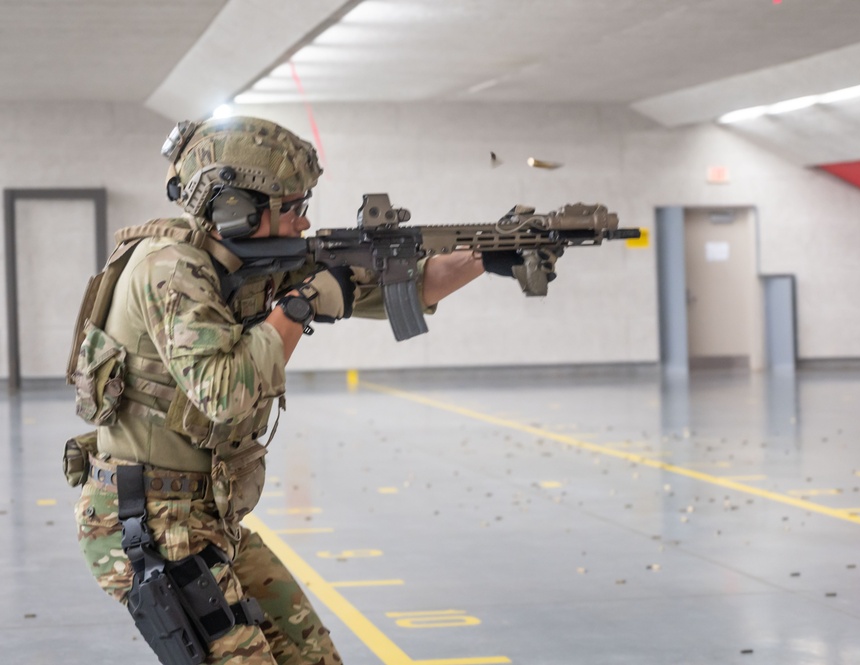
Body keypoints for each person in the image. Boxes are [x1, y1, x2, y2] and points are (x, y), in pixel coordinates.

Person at [65, 116, 529, 664]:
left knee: (313, 656)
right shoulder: (170, 271)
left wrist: (488, 253)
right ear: (235, 207)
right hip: (149, 527)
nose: (303, 220)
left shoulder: (244, 263)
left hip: (207, 517)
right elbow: (224, 393)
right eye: (290, 207)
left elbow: (403, 283)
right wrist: (300, 306)